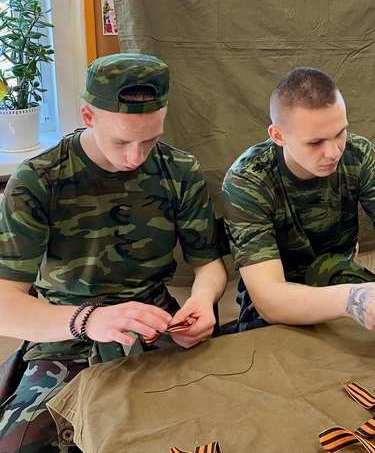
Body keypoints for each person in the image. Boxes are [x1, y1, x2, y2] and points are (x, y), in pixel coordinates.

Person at [0, 53, 228, 452]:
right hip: (66, 335)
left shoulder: (180, 171)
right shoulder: (37, 181)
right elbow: (6, 304)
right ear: (88, 116)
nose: (135, 157)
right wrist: (88, 320)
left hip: (156, 326)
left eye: (150, 140)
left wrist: (203, 300)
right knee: (22, 446)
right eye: (121, 141)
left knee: (217, 426)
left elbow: (208, 264)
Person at [222, 67, 375, 335]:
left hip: (337, 274)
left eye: (340, 133)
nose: (333, 152)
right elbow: (269, 299)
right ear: (278, 136)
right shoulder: (248, 180)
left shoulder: (360, 156)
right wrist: (352, 301)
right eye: (315, 142)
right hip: (281, 298)